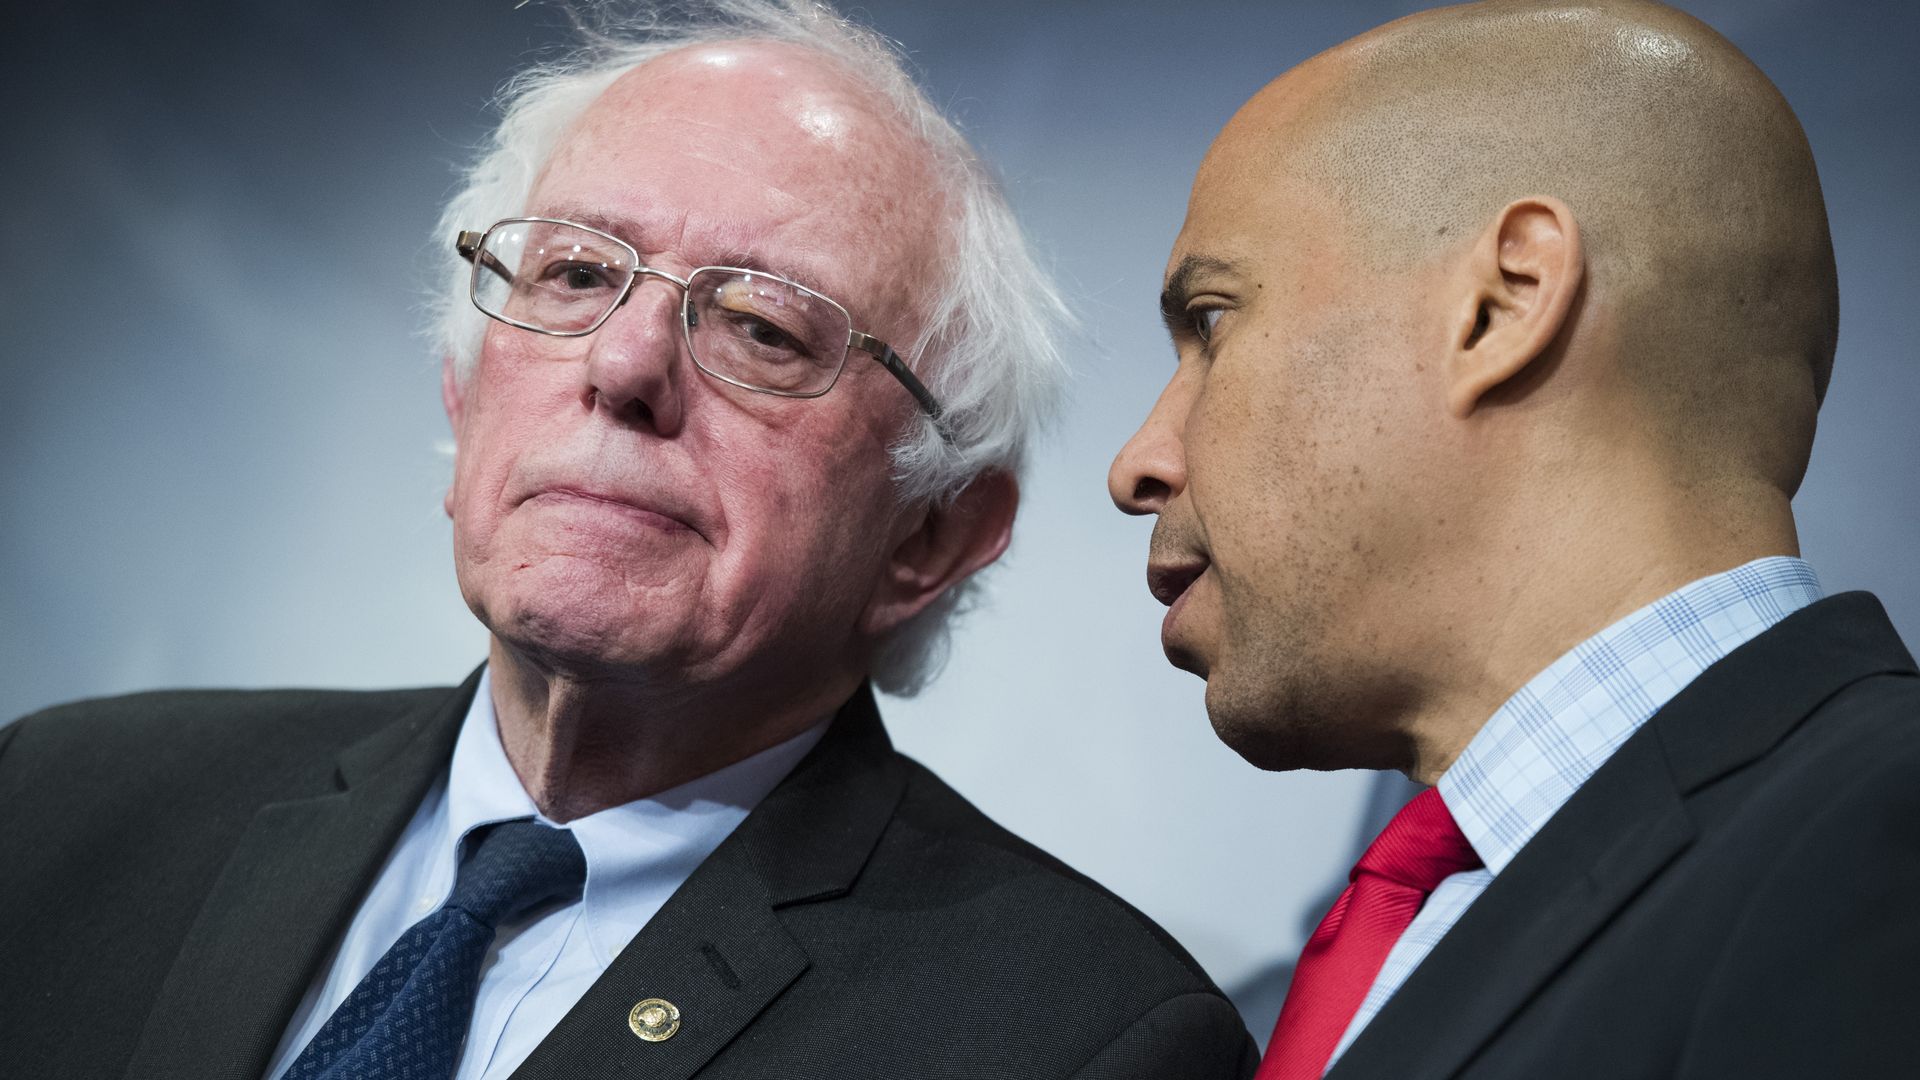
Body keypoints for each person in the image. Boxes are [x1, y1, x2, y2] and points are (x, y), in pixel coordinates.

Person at [0, 3, 1257, 1078]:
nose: (623, 364)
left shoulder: (1074, 1038)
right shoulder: (60, 801)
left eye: (765, 328)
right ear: (464, 392)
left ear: (931, 534)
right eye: (575, 276)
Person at [1108, 1, 1918, 1077]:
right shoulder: (1445, 907)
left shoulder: (1880, 843)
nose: (1137, 464)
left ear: (1503, 305)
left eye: (1214, 322)